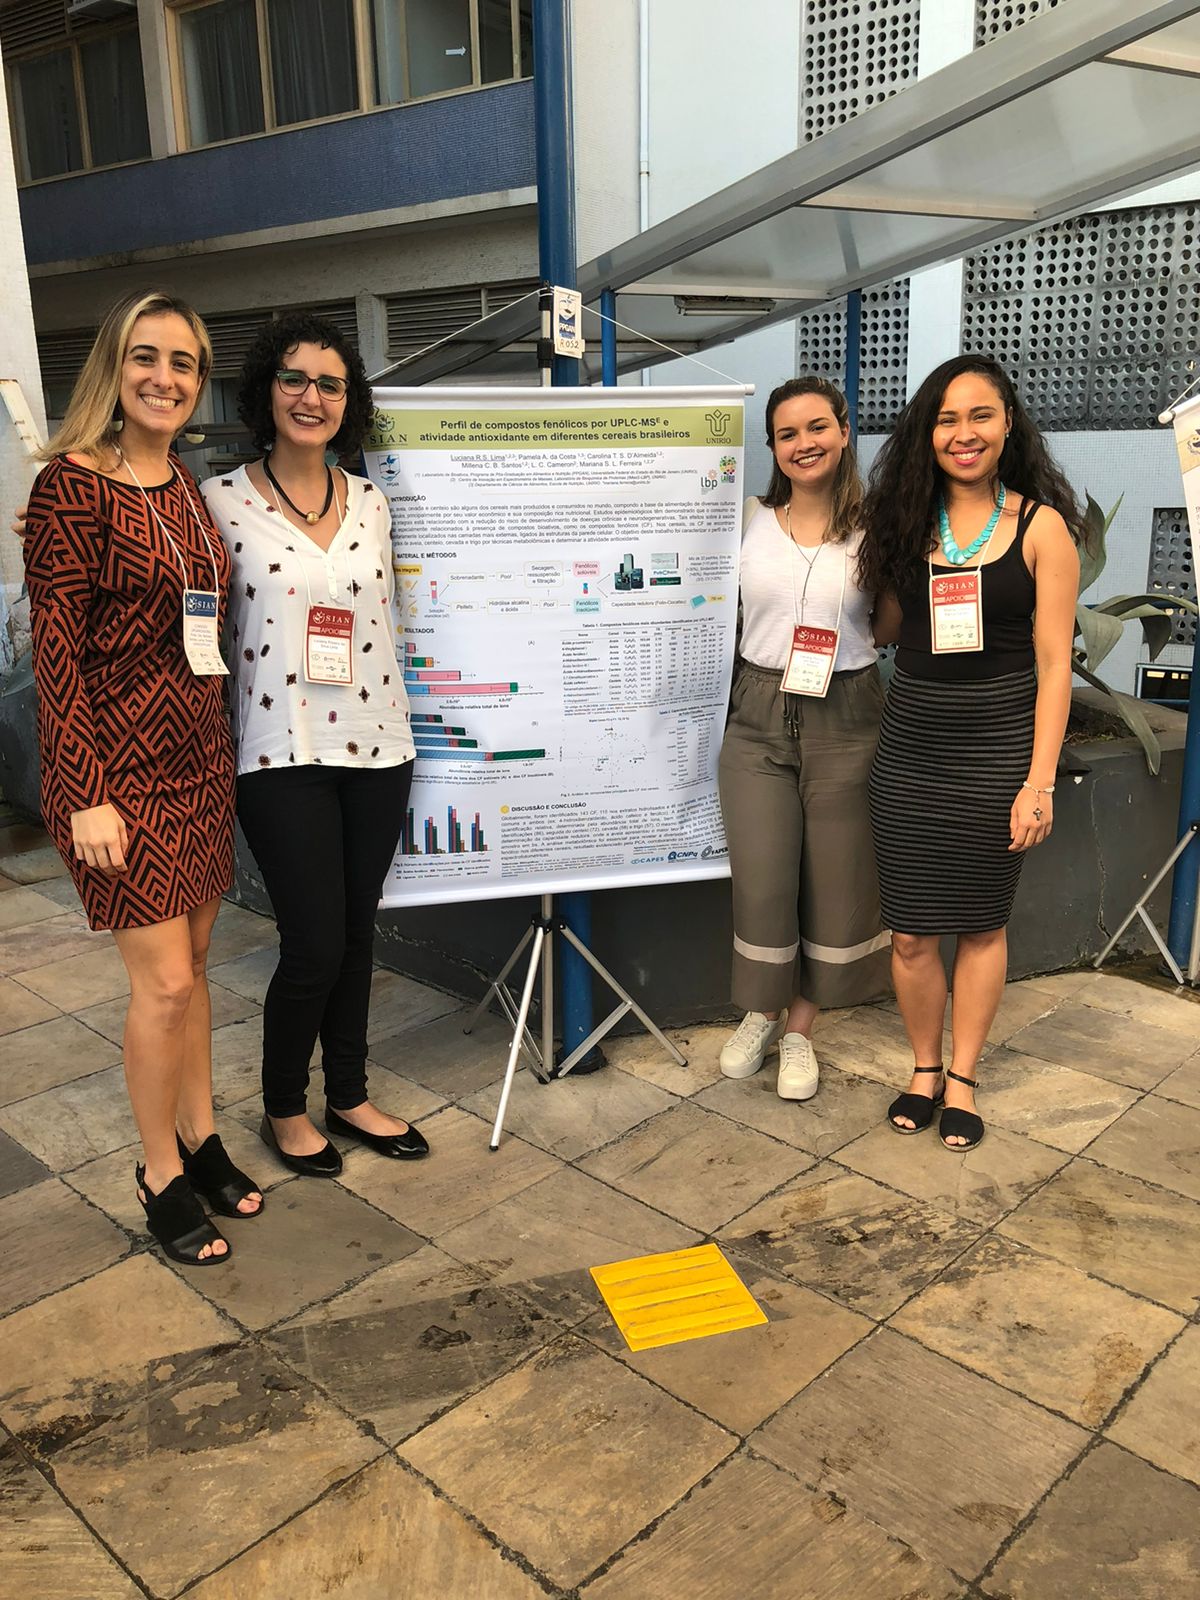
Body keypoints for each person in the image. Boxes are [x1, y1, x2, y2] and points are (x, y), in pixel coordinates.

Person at [23, 290, 262, 1265]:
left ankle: (201, 1139)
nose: (166, 378)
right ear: (113, 370)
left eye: (184, 363)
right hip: (117, 775)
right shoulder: (69, 487)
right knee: (161, 983)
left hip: (196, 761)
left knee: (196, 967)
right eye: (146, 357)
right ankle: (160, 1172)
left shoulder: (183, 486)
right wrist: (84, 792)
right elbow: (56, 656)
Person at [200, 312, 428, 1177]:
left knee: (356, 933)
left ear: (348, 400)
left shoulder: (371, 501)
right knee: (312, 944)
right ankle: (284, 1108)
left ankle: (350, 1094)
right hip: (277, 749)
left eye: (330, 383)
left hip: (380, 742)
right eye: (294, 378)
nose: (311, 396)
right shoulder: (218, 502)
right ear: (266, 389)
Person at [861, 355, 1081, 1151]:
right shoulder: (905, 523)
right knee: (911, 933)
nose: (964, 433)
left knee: (982, 926)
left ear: (1007, 424)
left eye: (980, 415)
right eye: (947, 419)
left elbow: (1055, 664)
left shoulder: (1042, 528)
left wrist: (1039, 783)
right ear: (928, 433)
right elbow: (886, 630)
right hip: (910, 750)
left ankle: (963, 1078)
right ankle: (924, 1067)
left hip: (997, 753)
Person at [717, 376, 892, 1100]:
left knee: (834, 878)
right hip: (757, 708)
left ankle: (799, 1029)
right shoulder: (746, 520)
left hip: (847, 710)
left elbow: (887, 626)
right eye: (787, 433)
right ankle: (761, 1011)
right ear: (772, 446)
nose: (804, 443)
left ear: (844, 431)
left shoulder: (878, 528)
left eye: (818, 427)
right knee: (763, 878)